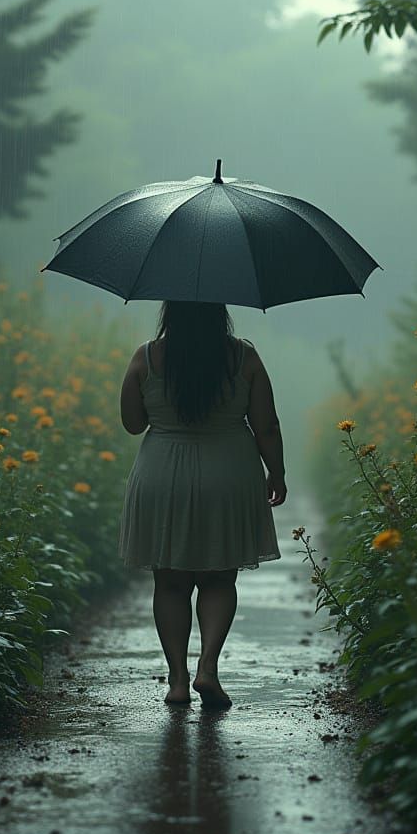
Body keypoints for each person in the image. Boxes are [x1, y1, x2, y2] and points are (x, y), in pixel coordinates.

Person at [118, 301, 286, 708]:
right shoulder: (244, 357)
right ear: (218, 311)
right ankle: (207, 669)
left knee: (170, 583)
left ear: (170, 312)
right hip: (228, 473)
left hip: (162, 474)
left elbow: (132, 423)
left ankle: (176, 680)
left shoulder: (146, 356)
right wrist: (276, 472)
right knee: (218, 579)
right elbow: (265, 424)